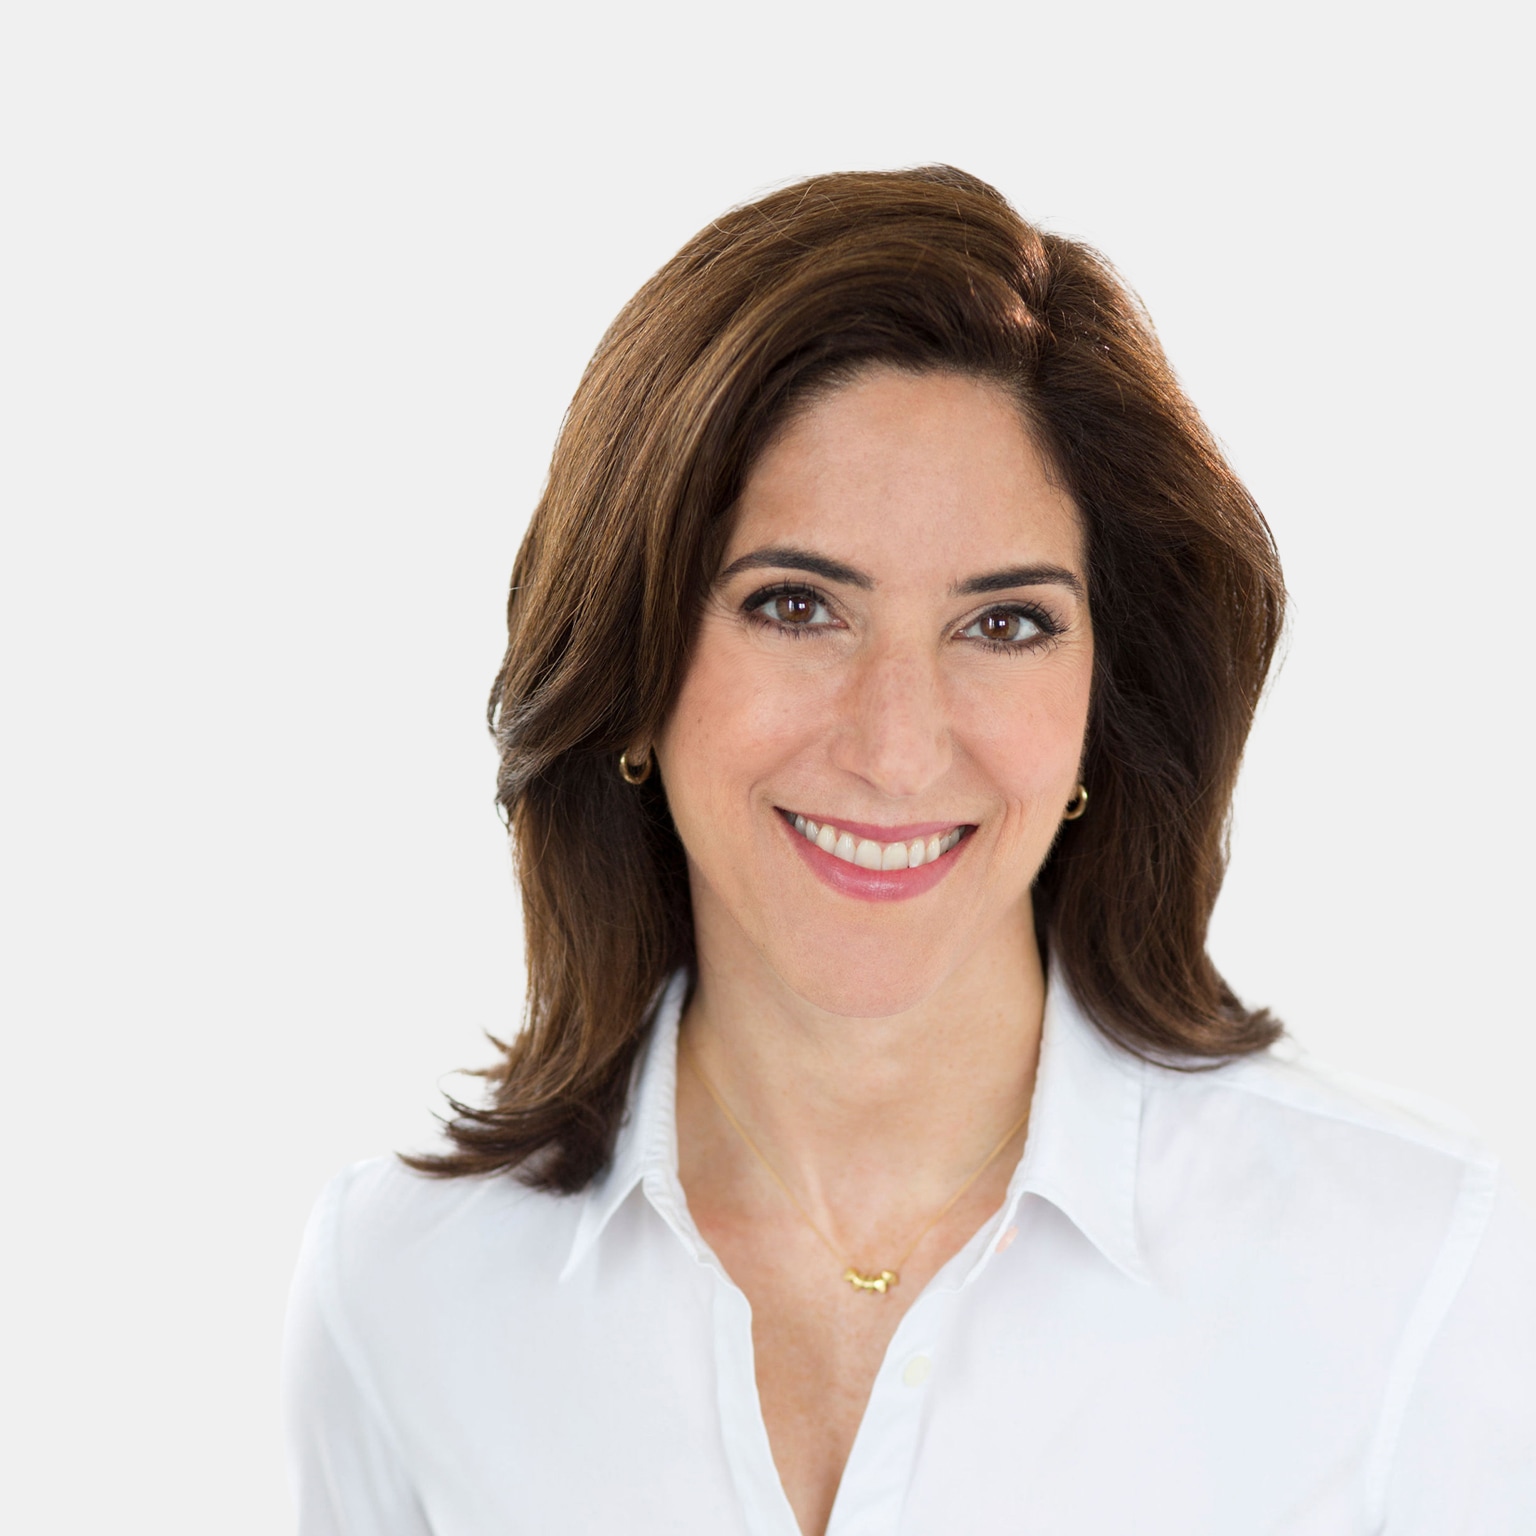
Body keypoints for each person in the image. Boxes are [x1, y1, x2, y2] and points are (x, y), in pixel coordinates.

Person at [282, 166, 1535, 1535]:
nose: (895, 748)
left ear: (1104, 708)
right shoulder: (403, 1296)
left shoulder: (1409, 1275)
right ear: (634, 665)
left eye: (1004, 624)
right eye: (796, 605)